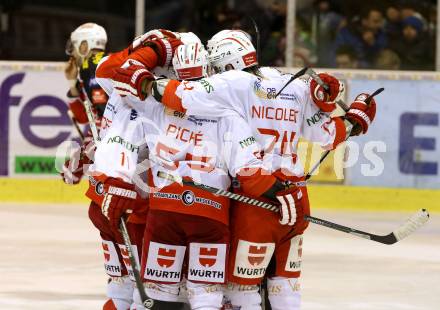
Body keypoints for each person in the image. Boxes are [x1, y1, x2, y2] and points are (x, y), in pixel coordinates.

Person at [110, 29, 378, 309]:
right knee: (286, 286)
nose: (212, 71)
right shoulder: (293, 84)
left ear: (227, 63)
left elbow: (183, 96)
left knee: (240, 289)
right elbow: (329, 135)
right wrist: (355, 120)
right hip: (296, 198)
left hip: (255, 199)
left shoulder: (232, 83)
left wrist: (146, 83)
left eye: (215, 65)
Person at [94, 33, 281, 310]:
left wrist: (144, 57)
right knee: (208, 297)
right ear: (209, 71)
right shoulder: (226, 109)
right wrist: (279, 191)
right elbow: (246, 167)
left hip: (162, 210)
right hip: (212, 212)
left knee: (154, 296)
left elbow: (117, 103)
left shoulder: (155, 104)